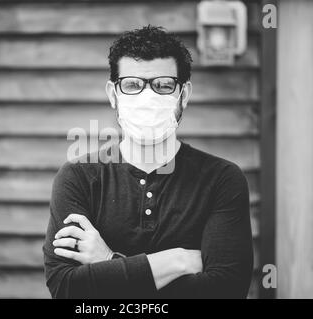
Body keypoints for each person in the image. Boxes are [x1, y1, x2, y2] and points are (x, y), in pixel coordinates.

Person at [43, 25, 253, 299]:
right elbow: (66, 288)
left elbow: (226, 291)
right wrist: (176, 261)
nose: (147, 97)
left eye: (163, 85)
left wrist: (108, 261)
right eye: (132, 85)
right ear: (113, 94)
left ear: (184, 95)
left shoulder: (222, 179)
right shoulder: (78, 177)